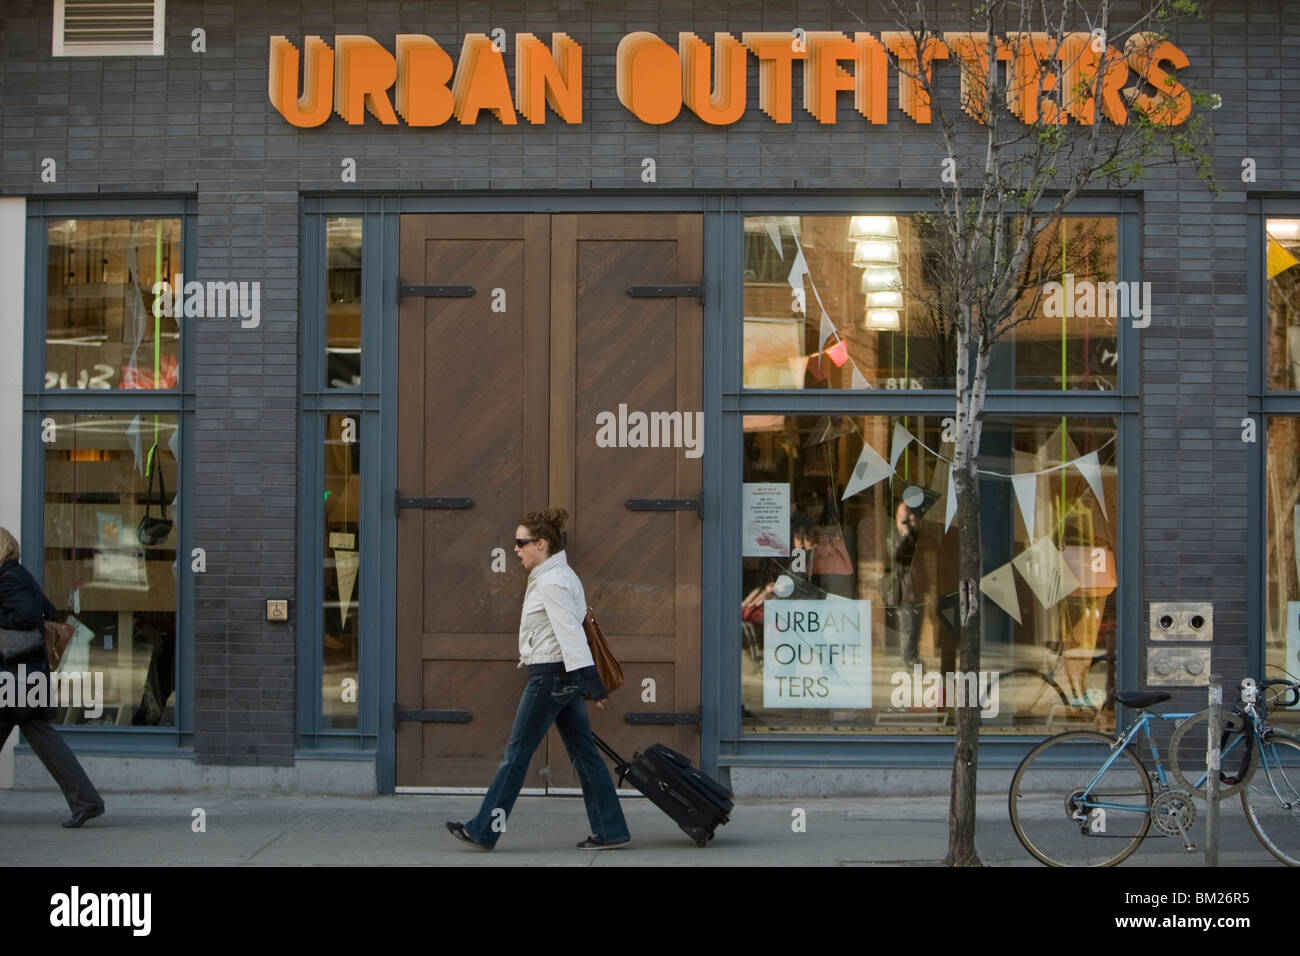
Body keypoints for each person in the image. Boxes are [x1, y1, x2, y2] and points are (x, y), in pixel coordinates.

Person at [446, 507, 630, 851]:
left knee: (516, 756)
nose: (515, 549)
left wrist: (593, 681)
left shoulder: (552, 582)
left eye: (520, 543)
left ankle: (484, 830)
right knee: (584, 754)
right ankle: (611, 830)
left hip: (550, 678)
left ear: (540, 544)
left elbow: (571, 634)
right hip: (562, 677)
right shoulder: (558, 575)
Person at [0, 527, 105, 827]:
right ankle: (86, 801)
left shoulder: (8, 578)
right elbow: (47, 609)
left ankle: (86, 801)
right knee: (44, 739)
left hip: (18, 675)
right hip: (24, 674)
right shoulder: (19, 575)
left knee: (45, 740)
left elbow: (29, 617)